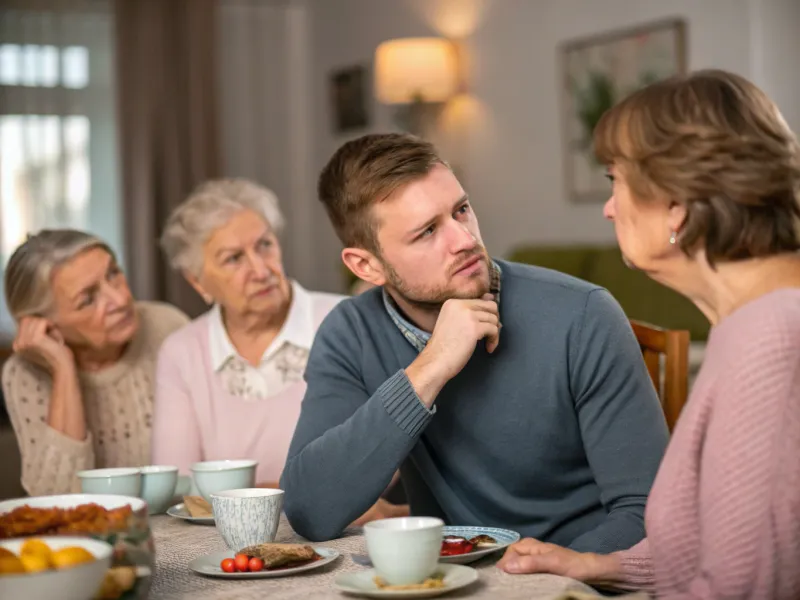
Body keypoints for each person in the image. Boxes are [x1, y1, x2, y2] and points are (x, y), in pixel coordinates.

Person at [280, 133, 669, 548]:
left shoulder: (584, 314)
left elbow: (648, 514)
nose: (465, 240)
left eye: (461, 210)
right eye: (427, 231)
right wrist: (432, 365)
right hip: (444, 582)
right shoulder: (351, 333)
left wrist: (536, 581)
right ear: (367, 265)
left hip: (573, 579)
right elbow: (310, 511)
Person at [496, 70, 800, 598]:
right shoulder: (747, 325)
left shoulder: (769, 342)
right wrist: (596, 565)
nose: (609, 206)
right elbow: (722, 543)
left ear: (676, 206)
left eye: (615, 179)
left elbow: (741, 586)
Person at [1, 230, 188, 496]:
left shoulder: (167, 327)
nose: (121, 299)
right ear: (44, 324)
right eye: (88, 299)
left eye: (113, 273)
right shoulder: (23, 374)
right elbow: (56, 499)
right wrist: (63, 370)